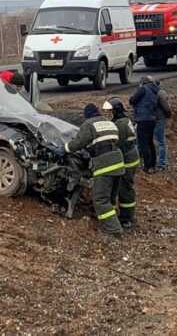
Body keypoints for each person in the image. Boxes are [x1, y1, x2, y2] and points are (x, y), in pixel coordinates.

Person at [55, 103, 125, 237]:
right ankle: (112, 221)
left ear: (87, 115)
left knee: (100, 199)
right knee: (109, 197)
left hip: (105, 163)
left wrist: (64, 149)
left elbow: (78, 142)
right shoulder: (109, 123)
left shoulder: (89, 124)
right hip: (118, 161)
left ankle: (113, 230)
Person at [103, 97, 140, 228]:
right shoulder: (122, 121)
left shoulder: (121, 125)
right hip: (127, 157)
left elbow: (114, 142)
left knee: (125, 188)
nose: (108, 115)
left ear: (117, 111)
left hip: (128, 160)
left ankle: (126, 217)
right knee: (121, 186)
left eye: (110, 112)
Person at [129, 76, 159, 173]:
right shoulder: (154, 91)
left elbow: (133, 100)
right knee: (150, 142)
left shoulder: (144, 89)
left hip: (143, 119)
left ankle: (147, 165)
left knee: (143, 143)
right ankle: (153, 165)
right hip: (152, 119)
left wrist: (131, 99)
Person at [154, 80, 172, 170]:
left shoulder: (149, 93)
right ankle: (161, 163)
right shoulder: (161, 93)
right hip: (160, 120)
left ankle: (158, 163)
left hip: (152, 119)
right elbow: (167, 108)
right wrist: (168, 116)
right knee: (161, 142)